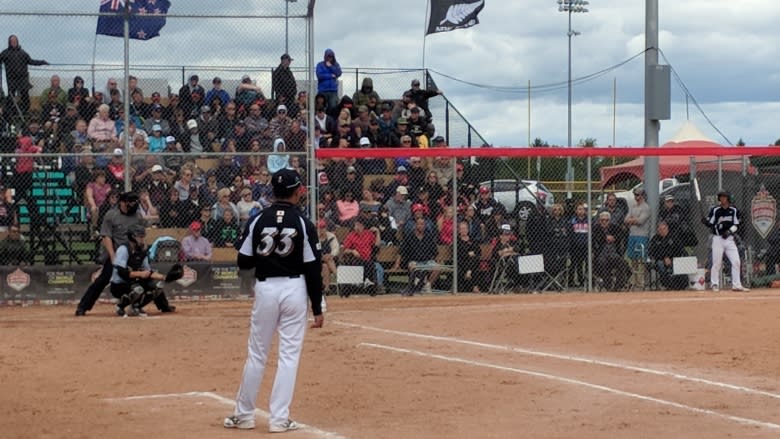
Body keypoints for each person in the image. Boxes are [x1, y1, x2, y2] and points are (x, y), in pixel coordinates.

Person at [224, 168, 323, 433]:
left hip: (265, 287)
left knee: (257, 354)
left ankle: (244, 414)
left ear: (272, 191)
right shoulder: (303, 223)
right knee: (288, 356)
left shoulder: (257, 219)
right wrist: (317, 306)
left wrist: (251, 283)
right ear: (298, 191)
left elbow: (243, 261)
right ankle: (279, 419)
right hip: (295, 288)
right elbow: (313, 268)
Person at [75, 192, 144, 316]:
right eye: (130, 202)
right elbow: (106, 236)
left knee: (147, 278)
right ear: (122, 202)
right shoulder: (111, 215)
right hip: (118, 253)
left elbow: (141, 235)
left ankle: (156, 305)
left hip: (132, 253)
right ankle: (83, 307)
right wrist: (112, 256)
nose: (133, 205)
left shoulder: (137, 216)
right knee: (103, 279)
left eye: (135, 202)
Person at [109, 224, 176, 317]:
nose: (142, 239)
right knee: (138, 289)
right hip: (119, 285)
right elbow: (121, 272)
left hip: (132, 281)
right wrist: (140, 274)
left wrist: (165, 277)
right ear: (132, 237)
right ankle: (120, 307)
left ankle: (136, 307)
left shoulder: (142, 250)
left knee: (157, 286)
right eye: (140, 237)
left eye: (143, 236)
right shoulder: (123, 249)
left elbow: (148, 271)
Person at [703, 191, 749, 292]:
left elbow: (737, 225)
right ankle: (714, 284)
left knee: (736, 261)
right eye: (721, 197)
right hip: (718, 239)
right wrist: (706, 222)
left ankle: (736, 285)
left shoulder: (733, 210)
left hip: (729, 239)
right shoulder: (715, 210)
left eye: (724, 197)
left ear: (728, 198)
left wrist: (729, 232)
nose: (722, 199)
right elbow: (711, 223)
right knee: (717, 263)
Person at [0, 35, 49, 115]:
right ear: (9, 42)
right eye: (12, 41)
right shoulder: (5, 53)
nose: (14, 42)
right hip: (11, 79)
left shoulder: (23, 53)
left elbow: (31, 61)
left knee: (25, 95)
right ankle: (8, 113)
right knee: (11, 96)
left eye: (15, 41)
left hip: (22, 79)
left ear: (17, 41)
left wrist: (42, 62)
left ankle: (24, 111)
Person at [648, 221, 689, 290]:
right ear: (658, 230)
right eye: (660, 229)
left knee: (679, 264)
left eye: (664, 229)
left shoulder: (674, 237)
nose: (662, 231)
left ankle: (678, 284)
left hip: (674, 259)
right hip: (660, 260)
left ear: (667, 228)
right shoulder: (655, 239)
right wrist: (664, 257)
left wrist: (673, 259)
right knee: (660, 264)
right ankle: (666, 284)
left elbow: (681, 250)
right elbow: (651, 252)